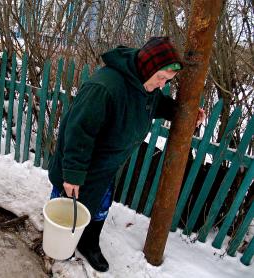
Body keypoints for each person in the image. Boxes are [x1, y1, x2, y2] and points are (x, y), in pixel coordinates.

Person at [48, 37, 205, 272]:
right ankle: (62, 240)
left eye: (167, 80)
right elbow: (79, 132)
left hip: (106, 165)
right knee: (68, 204)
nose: (163, 84)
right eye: (161, 78)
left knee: (99, 205)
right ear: (148, 69)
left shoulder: (144, 84)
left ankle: (88, 243)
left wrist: (183, 113)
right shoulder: (104, 89)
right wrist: (72, 174)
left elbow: (155, 103)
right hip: (81, 163)